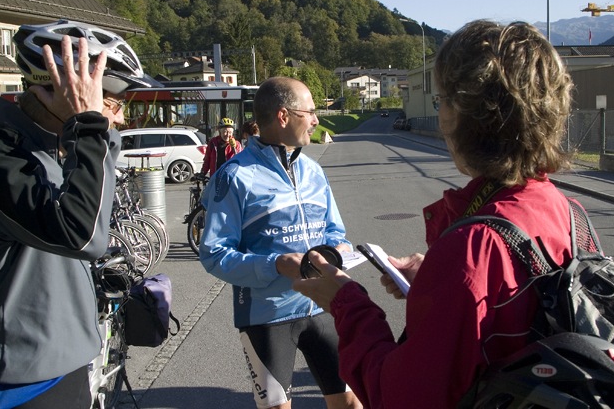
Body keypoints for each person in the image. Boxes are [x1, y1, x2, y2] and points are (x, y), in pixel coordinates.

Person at [292, 20, 584, 407]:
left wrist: (346, 302)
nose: (441, 115)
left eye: (443, 99)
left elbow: (398, 395)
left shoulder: (472, 248)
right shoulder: (566, 209)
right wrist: (435, 277)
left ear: (473, 115)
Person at [0, 20, 160, 408]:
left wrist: (90, 134)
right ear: (55, 90)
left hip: (64, 369)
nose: (117, 119)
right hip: (17, 387)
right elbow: (82, 236)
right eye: (110, 104)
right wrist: (90, 126)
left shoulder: (43, 149)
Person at [199, 77, 362, 409]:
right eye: (311, 113)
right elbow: (214, 254)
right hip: (266, 315)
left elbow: (335, 232)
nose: (317, 121)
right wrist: (274, 264)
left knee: (350, 402)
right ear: (283, 116)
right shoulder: (234, 176)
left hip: (322, 304)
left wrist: (338, 251)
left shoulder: (314, 171)